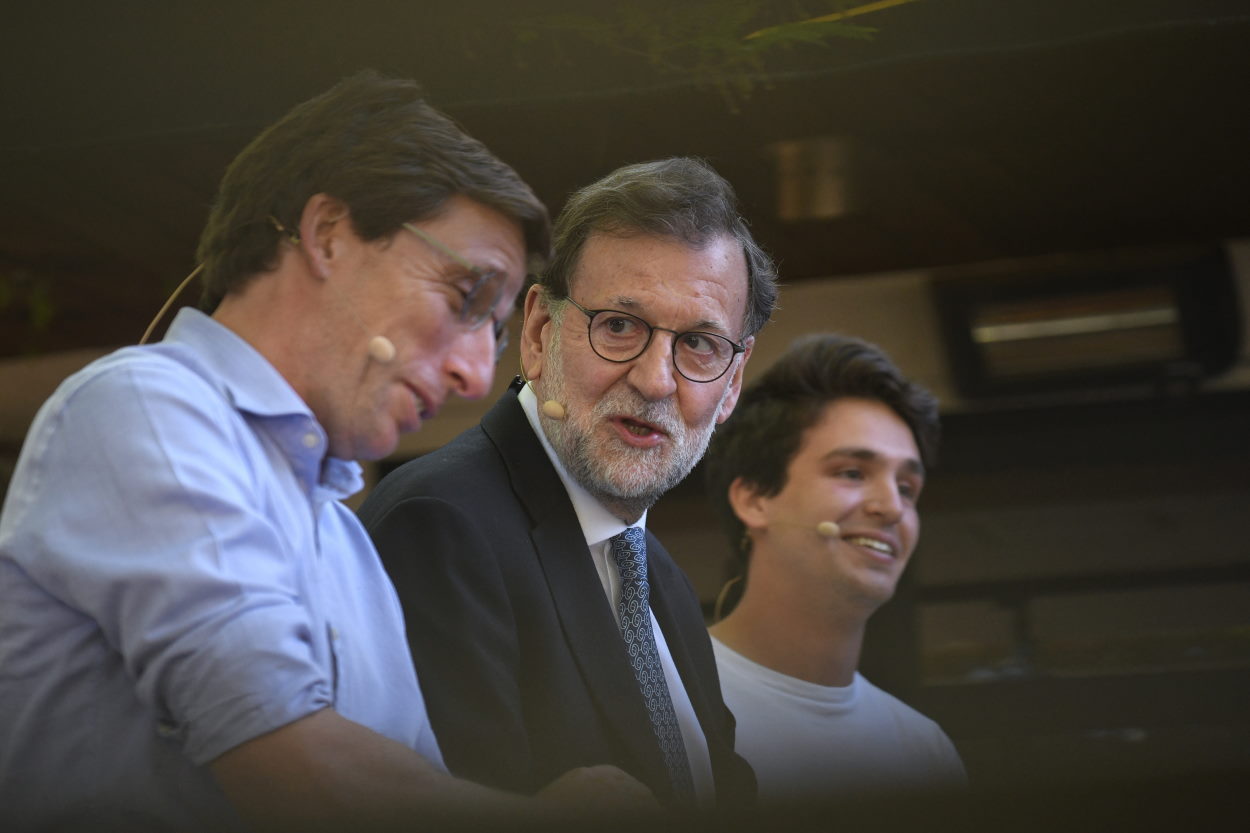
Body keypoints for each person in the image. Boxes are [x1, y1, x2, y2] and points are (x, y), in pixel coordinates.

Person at [0, 71, 654, 832]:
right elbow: (293, 771)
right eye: (466, 296)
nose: (478, 374)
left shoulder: (346, 539)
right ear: (329, 234)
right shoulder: (148, 403)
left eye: (497, 329)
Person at [358, 157, 777, 810]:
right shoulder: (440, 525)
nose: (655, 379)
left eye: (699, 342)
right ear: (538, 331)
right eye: (618, 326)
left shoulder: (656, 573)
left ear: (732, 385)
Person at [703, 333, 966, 803]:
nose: (891, 507)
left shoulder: (925, 752)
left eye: (907, 488)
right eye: (852, 473)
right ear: (755, 498)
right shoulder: (660, 700)